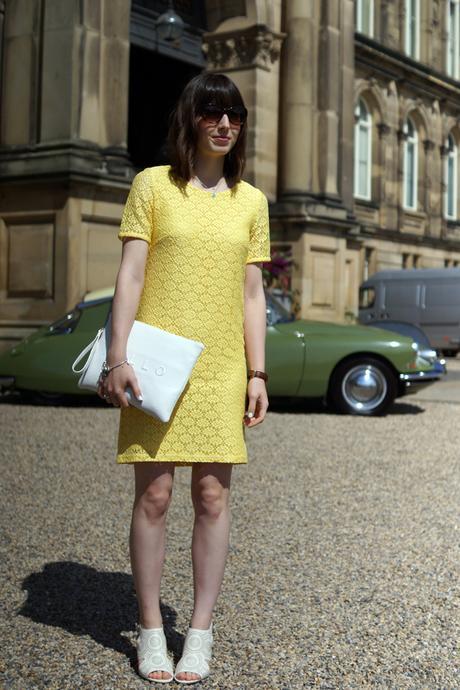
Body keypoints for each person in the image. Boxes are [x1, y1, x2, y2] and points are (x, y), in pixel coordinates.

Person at [97, 72, 271, 684]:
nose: (225, 124)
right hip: (155, 364)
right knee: (155, 495)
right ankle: (150, 631)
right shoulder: (151, 187)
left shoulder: (252, 201)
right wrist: (118, 356)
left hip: (223, 366)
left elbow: (253, 294)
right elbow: (131, 277)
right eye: (213, 112)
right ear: (191, 119)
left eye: (235, 115)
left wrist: (257, 371)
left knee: (212, 496)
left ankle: (198, 632)